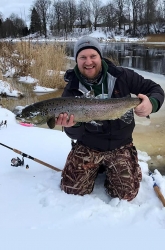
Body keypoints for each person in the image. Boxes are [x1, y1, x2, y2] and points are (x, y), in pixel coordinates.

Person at [56, 36, 164, 201]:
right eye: (82, 57)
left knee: (125, 195)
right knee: (70, 190)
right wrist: (72, 126)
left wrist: (152, 103)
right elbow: (74, 135)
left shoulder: (122, 75)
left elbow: (155, 89)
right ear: (76, 60)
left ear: (100, 57)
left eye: (93, 56)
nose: (88, 62)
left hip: (120, 145)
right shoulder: (71, 89)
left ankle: (123, 166)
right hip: (88, 145)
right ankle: (99, 167)